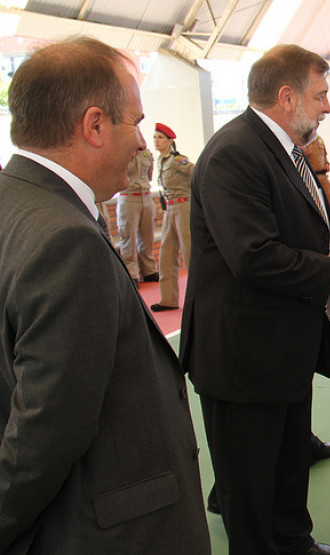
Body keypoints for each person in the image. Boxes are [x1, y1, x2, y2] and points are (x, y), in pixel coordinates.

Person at [0, 36, 209, 553]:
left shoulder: (20, 203)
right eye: (134, 122)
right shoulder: (66, 240)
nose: (142, 142)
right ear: (94, 125)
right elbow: (47, 432)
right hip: (112, 529)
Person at [180, 44, 330, 555]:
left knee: (285, 465)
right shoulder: (236, 151)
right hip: (242, 356)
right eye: (321, 95)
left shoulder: (279, 149)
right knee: (249, 486)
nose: (327, 106)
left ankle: (294, 540)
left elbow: (311, 225)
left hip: (279, 347)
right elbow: (252, 255)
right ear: (287, 97)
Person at [150, 123, 194, 312]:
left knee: (189, 252)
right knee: (166, 255)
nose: (156, 141)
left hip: (184, 207)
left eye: (160, 137)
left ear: (170, 141)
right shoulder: (161, 161)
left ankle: (199, 297)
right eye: (154, 137)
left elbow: (197, 173)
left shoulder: (178, 160)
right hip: (169, 209)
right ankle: (168, 299)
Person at [118, 147, 158, 283]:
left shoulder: (146, 153)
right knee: (128, 237)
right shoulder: (121, 152)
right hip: (129, 197)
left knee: (147, 237)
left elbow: (150, 175)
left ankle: (149, 270)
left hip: (146, 196)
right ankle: (131, 274)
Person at [304, 134, 330, 200]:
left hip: (323, 176)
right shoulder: (303, 140)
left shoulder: (319, 139)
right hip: (311, 177)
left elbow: (324, 154)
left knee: (327, 199)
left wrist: (326, 163)